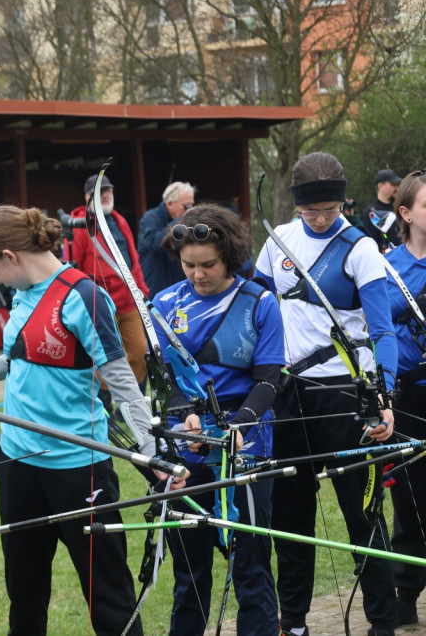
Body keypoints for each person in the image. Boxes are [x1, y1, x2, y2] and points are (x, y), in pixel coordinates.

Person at [0, 205, 181, 636]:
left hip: (77, 466)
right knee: (24, 591)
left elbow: (121, 379)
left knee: (107, 593)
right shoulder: (23, 291)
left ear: (10, 256)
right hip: (18, 463)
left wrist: (151, 451)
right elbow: (19, 358)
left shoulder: (82, 295)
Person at [254, 152, 397, 636]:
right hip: (289, 392)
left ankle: (382, 619)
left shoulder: (360, 247)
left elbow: (383, 331)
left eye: (330, 209)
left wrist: (384, 394)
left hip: (344, 392)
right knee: (291, 514)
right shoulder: (279, 239)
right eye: (310, 210)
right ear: (296, 205)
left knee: (362, 512)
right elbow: (254, 306)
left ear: (343, 201)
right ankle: (293, 622)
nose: (319, 218)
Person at [151, 205, 284, 636]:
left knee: (250, 565)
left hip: (247, 445)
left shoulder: (259, 302)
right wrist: (182, 414)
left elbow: (269, 378)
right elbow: (165, 378)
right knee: (189, 574)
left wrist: (240, 425)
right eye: (188, 264)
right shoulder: (166, 303)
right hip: (186, 447)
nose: (197, 274)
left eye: (207, 264)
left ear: (229, 255)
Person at [384, 169, 426, 627]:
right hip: (410, 395)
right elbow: (377, 329)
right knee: (412, 497)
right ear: (406, 213)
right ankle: (406, 590)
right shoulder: (387, 267)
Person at [70, 172, 150, 395]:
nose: (105, 195)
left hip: (128, 300)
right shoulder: (79, 225)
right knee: (101, 356)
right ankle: (104, 403)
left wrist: (142, 292)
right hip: (100, 303)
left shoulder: (119, 220)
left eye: (108, 191)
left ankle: (131, 402)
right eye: (99, 192)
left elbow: (134, 260)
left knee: (140, 352)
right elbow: (74, 268)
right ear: (88, 197)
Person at [138, 181, 196, 294]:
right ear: (169, 204)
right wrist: (181, 222)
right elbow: (153, 243)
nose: (188, 210)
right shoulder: (150, 218)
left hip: (179, 283)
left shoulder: (182, 220)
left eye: (191, 205)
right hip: (156, 286)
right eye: (186, 206)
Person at [362, 169, 404, 252]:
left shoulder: (400, 208)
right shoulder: (371, 213)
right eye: (393, 184)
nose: (397, 188)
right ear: (381, 186)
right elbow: (370, 242)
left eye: (398, 185)